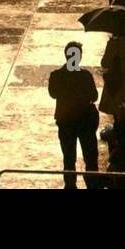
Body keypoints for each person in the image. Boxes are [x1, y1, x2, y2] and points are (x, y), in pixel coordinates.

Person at [47, 41, 101, 189]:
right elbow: (94, 96)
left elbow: (53, 94)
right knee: (90, 157)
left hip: (66, 121)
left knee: (69, 157)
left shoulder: (57, 75)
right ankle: (93, 183)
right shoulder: (85, 76)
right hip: (85, 121)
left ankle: (70, 185)